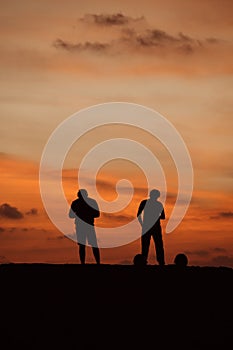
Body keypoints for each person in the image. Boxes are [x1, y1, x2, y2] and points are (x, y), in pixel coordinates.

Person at [69, 189, 100, 264]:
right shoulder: (78, 203)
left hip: (86, 225)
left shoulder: (77, 203)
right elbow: (70, 215)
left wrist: (83, 213)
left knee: (90, 245)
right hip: (83, 226)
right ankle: (86, 263)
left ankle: (96, 263)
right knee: (84, 245)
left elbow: (97, 214)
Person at [137, 189, 165, 266]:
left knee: (148, 245)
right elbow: (163, 216)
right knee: (157, 245)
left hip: (149, 227)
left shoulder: (145, 203)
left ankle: (159, 261)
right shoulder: (158, 204)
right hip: (152, 227)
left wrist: (142, 224)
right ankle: (160, 262)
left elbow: (138, 215)